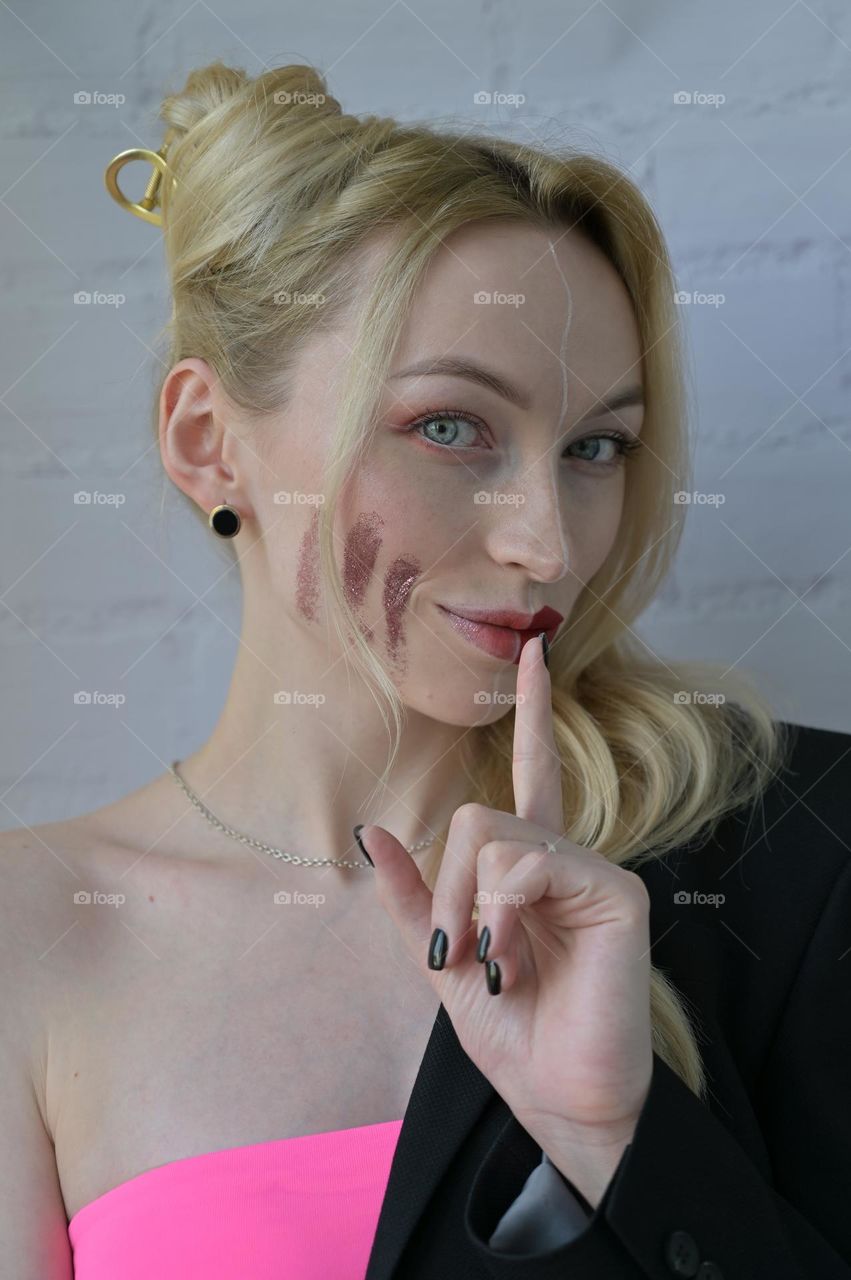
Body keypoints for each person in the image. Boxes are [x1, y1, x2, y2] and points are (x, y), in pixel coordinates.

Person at [1, 57, 849, 1279]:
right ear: (208, 444)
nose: (547, 543)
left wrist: (615, 1135)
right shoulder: (34, 933)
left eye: (597, 445)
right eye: (448, 427)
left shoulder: (783, 869)